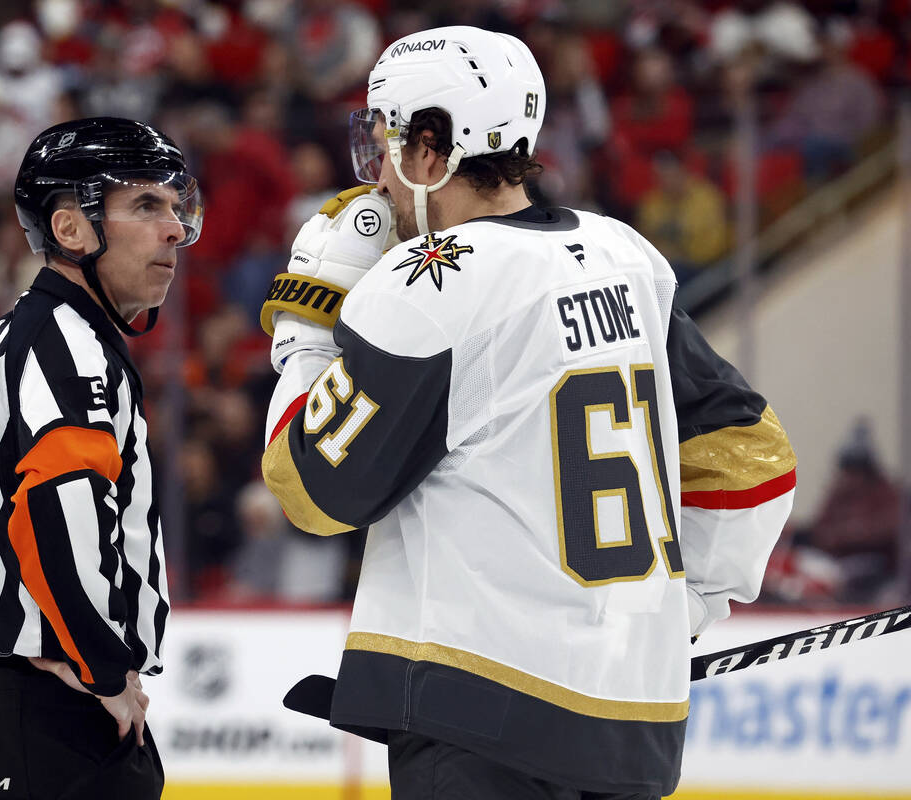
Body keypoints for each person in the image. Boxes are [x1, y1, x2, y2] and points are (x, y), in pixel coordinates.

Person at [260, 26, 796, 800]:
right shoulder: (625, 255)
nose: (375, 172)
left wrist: (308, 330)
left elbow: (310, 491)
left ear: (430, 145)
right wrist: (680, 606)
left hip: (479, 721)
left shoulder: (432, 281)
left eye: (384, 139)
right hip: (630, 730)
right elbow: (751, 454)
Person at [0, 117, 204, 800]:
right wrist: (99, 670)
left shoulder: (14, 339)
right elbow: (56, 518)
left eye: (175, 207)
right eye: (146, 205)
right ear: (71, 229)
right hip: (44, 720)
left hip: (0, 705)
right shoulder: (69, 353)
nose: (175, 228)